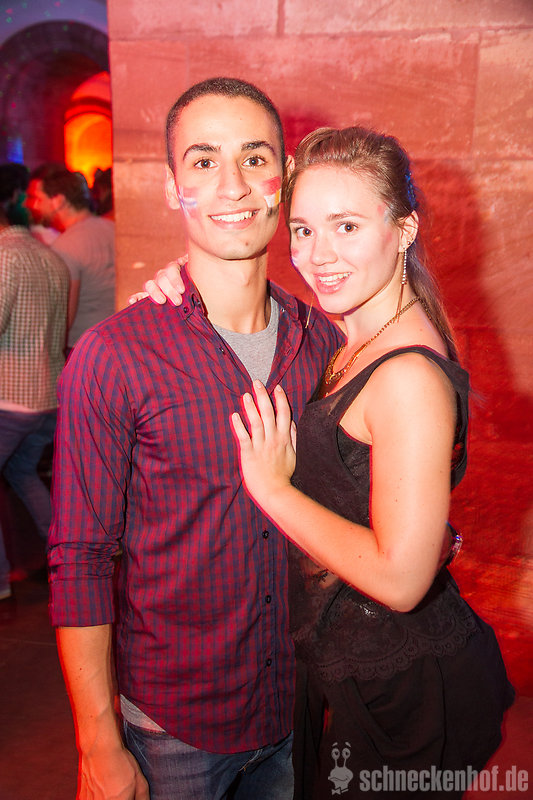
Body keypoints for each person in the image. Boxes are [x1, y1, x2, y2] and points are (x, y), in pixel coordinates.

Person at [47, 78, 342, 800]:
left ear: (284, 177)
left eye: (253, 157)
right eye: (204, 161)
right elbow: (80, 559)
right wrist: (97, 741)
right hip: (171, 729)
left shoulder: (324, 344)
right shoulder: (115, 356)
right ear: (171, 184)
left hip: (297, 706)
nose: (232, 185)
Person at [227, 127, 515, 798]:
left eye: (347, 226)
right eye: (302, 230)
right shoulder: (358, 331)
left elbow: (402, 580)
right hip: (361, 669)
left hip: (405, 691)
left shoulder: (406, 375)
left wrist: (273, 489)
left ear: (403, 229)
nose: (317, 254)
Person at [0, 205, 69, 615]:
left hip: (11, 396)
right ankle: (65, 558)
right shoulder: (51, 256)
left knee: (22, 472)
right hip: (48, 395)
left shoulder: (5, 257)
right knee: (23, 472)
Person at [24, 164, 115, 352]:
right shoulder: (113, 229)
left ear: (58, 201)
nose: (34, 206)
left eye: (39, 199)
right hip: (117, 339)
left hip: (83, 348)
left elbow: (64, 318)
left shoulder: (64, 247)